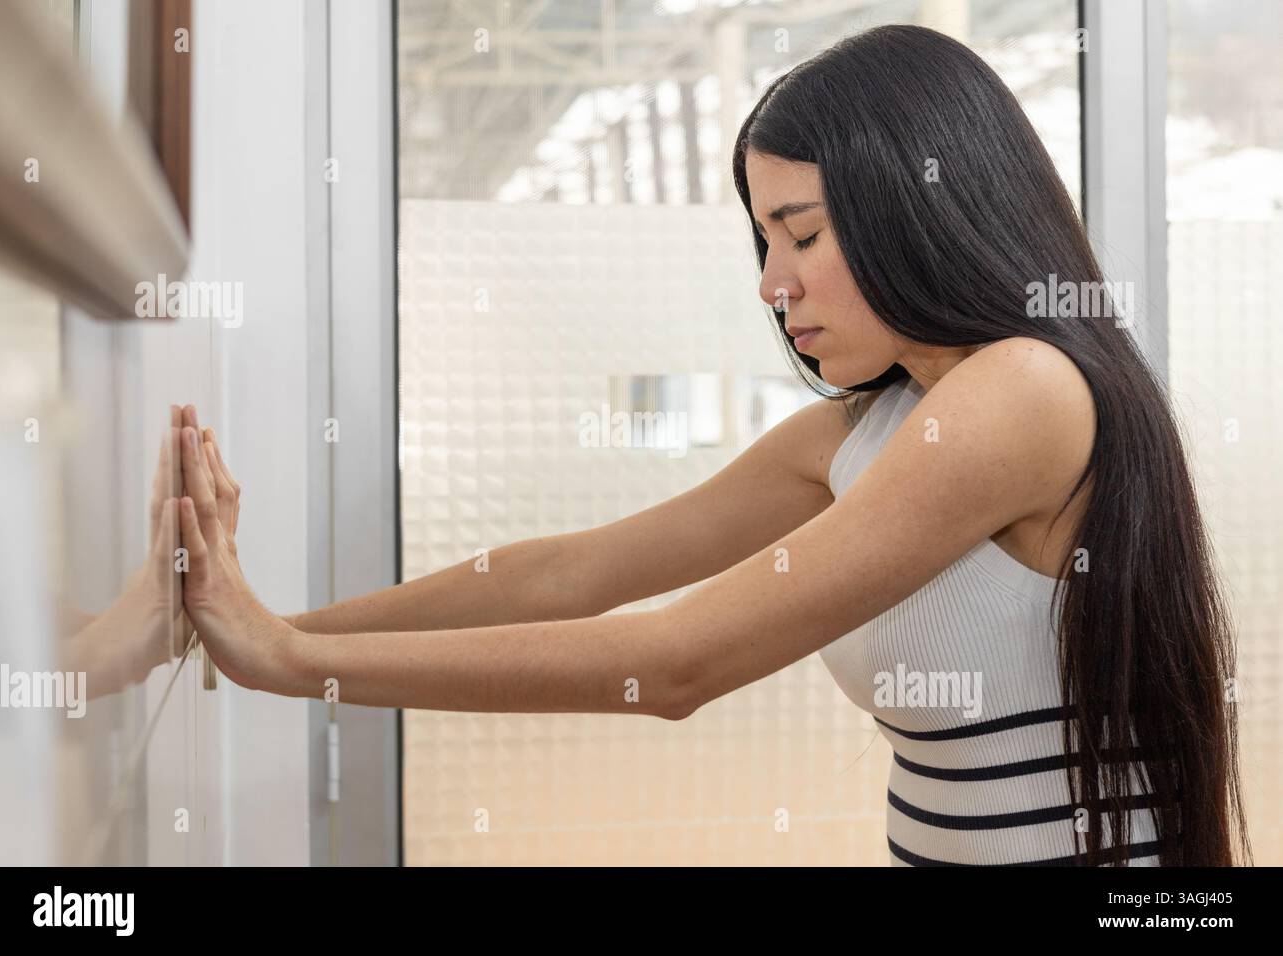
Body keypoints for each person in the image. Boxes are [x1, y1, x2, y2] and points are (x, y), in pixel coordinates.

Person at [161, 25, 1249, 867]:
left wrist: (292, 664)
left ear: (919, 210)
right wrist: (254, 624)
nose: (772, 284)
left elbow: (675, 660)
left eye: (806, 233)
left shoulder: (1025, 390)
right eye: (764, 238)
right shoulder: (861, 430)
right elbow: (566, 573)